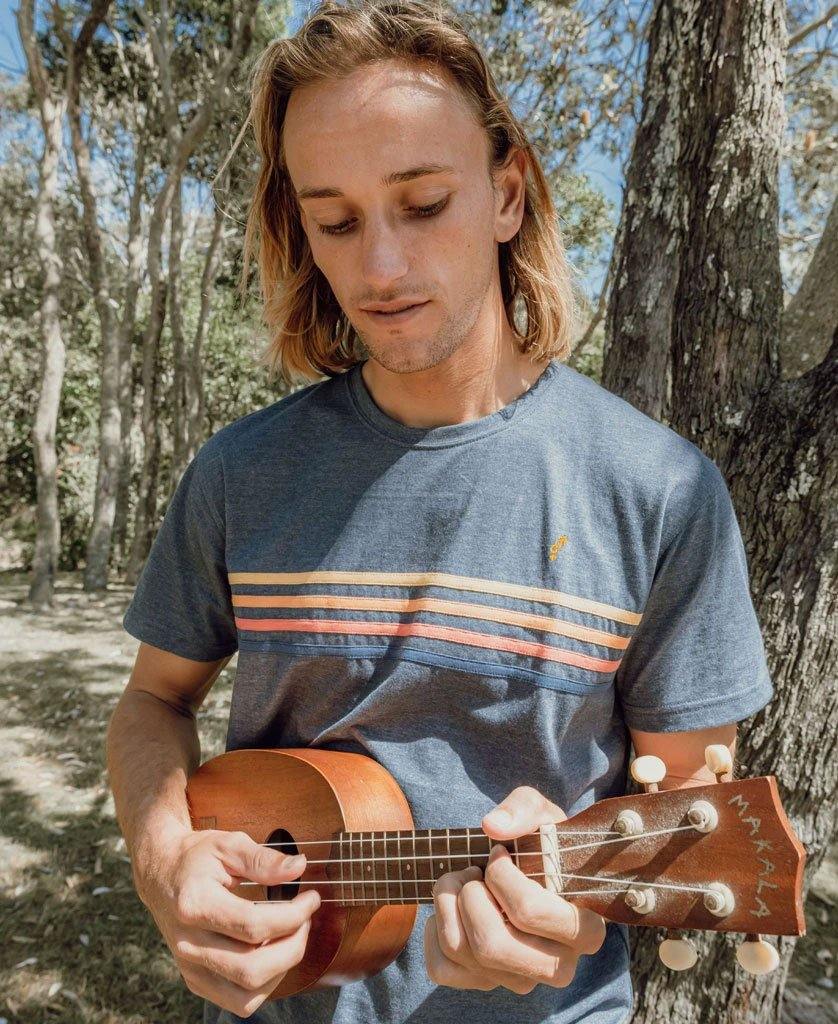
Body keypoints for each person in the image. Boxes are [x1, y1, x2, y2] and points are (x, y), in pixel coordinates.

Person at [105, 2, 774, 1022]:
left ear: (506, 195)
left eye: (421, 204)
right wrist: (165, 861)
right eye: (335, 221)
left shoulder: (661, 493)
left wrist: (562, 914)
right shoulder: (242, 471)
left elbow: (685, 821)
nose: (378, 268)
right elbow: (153, 701)